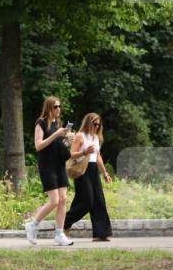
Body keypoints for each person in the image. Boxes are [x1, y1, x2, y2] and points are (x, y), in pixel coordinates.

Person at [24, 96, 74, 246]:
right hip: (47, 166)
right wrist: (56, 134)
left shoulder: (56, 124)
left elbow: (57, 147)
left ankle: (59, 234)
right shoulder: (41, 123)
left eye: (59, 106)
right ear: (49, 108)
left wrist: (67, 141)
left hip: (59, 165)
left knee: (63, 199)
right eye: (55, 107)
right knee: (54, 201)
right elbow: (38, 146)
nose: (58, 109)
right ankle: (33, 225)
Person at [63, 113, 113, 242]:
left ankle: (101, 234)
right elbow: (72, 154)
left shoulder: (96, 137)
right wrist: (84, 152)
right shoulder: (80, 136)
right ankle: (64, 223)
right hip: (82, 170)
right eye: (94, 124)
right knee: (86, 201)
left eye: (99, 124)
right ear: (88, 123)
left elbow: (98, 157)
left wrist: (105, 173)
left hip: (93, 170)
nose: (97, 126)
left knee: (99, 201)